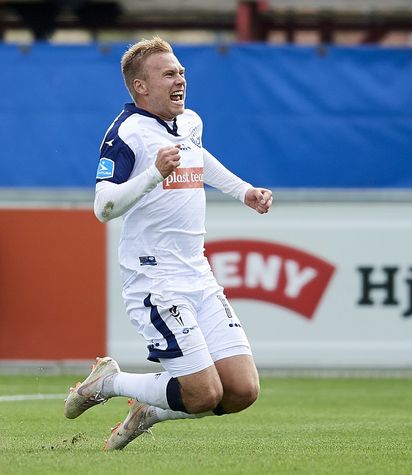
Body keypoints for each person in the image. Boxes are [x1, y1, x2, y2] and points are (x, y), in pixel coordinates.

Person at [64, 37, 272, 451]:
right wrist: (152, 175)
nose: (181, 79)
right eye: (170, 74)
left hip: (198, 271)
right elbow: (103, 207)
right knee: (202, 394)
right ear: (141, 87)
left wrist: (243, 190)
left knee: (242, 390)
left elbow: (198, 156)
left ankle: (150, 410)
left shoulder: (189, 121)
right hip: (154, 277)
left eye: (181, 72)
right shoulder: (126, 133)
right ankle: (109, 382)